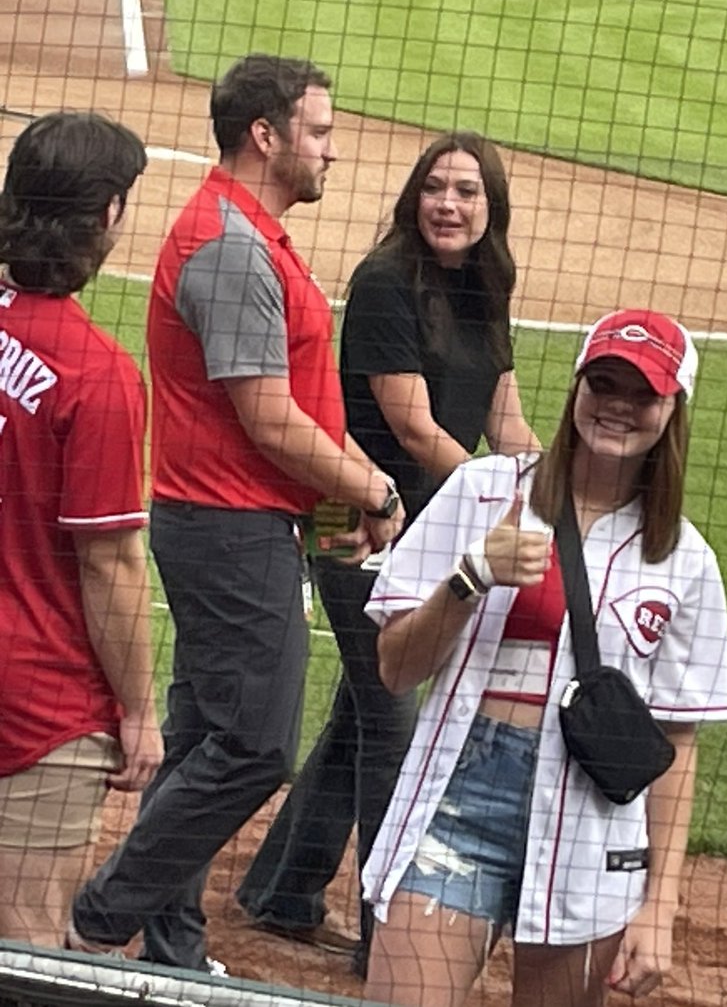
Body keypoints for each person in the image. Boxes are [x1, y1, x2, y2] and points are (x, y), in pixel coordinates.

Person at [68, 53, 405, 971]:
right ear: (267, 134)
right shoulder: (228, 244)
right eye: (321, 132)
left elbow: (287, 408)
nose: (332, 153)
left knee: (203, 740)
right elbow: (266, 416)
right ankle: (101, 917)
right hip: (229, 528)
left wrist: (344, 494)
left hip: (242, 521)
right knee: (256, 747)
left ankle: (172, 947)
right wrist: (372, 487)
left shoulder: (250, 232)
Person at [360, 309, 727, 1007]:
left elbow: (677, 744)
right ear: (575, 389)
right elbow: (394, 665)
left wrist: (659, 905)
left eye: (642, 392)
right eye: (603, 382)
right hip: (458, 801)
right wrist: (471, 576)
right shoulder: (483, 493)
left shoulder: (684, 561)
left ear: (672, 410)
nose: (617, 405)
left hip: (593, 824)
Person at [237, 131, 540, 967]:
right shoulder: (383, 284)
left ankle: (280, 888)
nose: (449, 204)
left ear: (491, 208)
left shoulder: (487, 286)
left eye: (467, 192)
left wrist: (548, 484)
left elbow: (504, 417)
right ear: (413, 199)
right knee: (394, 720)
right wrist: (501, 497)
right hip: (354, 511)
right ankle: (386, 935)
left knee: (362, 711)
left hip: (430, 519)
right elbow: (413, 425)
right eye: (435, 188)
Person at [0, 112, 162, 947]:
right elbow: (111, 567)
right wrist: (137, 709)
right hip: (41, 706)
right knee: (25, 944)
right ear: (105, 216)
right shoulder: (95, 374)